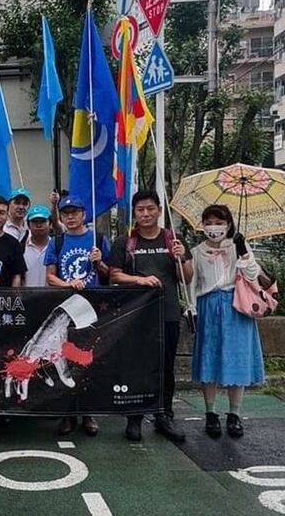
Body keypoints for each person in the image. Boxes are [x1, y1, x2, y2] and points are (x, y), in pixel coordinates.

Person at [108, 190, 193, 443]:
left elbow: (186, 278)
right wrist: (139, 279)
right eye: (140, 209)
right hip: (136, 316)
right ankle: (134, 416)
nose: (145, 214)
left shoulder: (172, 240)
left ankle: (164, 414)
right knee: (137, 366)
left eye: (150, 208)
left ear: (158, 210)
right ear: (134, 213)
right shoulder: (125, 242)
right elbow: (114, 275)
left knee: (165, 367)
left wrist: (182, 258)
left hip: (166, 313)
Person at [191, 204, 265, 439]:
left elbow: (254, 275)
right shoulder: (196, 251)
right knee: (208, 358)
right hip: (208, 306)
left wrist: (243, 250)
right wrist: (191, 307)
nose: (214, 227)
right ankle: (210, 413)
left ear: (229, 224)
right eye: (209, 222)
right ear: (203, 225)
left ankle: (234, 414)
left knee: (237, 358)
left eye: (219, 222)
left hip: (237, 307)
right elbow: (192, 283)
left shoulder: (238, 247)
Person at [44, 195, 109, 437]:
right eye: (66, 213)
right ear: (60, 216)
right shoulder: (57, 241)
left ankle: (88, 413)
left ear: (84, 214)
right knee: (66, 361)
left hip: (92, 310)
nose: (70, 217)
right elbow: (49, 276)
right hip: (67, 309)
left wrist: (100, 262)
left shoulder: (98, 239)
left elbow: (111, 273)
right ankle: (68, 413)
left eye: (75, 212)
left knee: (88, 360)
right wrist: (67, 283)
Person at [23, 205, 53, 287]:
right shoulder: (21, 247)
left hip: (53, 297)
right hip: (27, 298)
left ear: (50, 224)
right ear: (28, 225)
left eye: (42, 221)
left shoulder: (56, 247)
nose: (39, 225)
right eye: (35, 221)